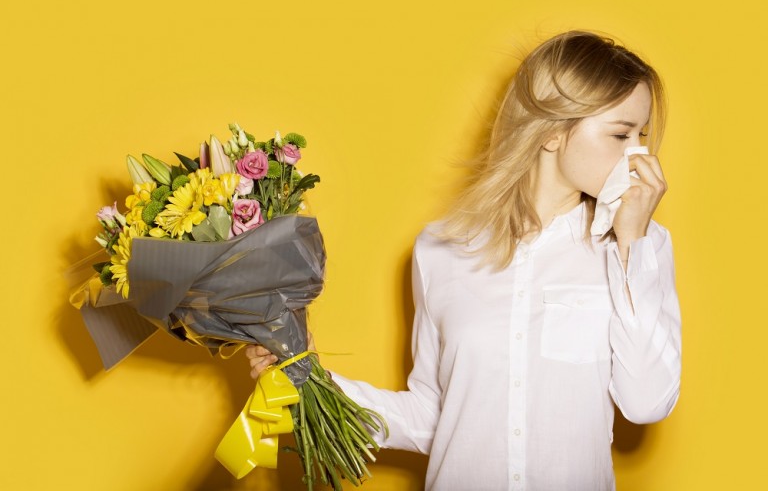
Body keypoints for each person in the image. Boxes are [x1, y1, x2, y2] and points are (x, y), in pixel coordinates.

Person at [246, 30, 681, 491]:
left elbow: (647, 402)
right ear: (552, 132)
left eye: (643, 135)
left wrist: (633, 241)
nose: (640, 155)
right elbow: (434, 414)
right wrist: (306, 380)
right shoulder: (440, 250)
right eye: (620, 134)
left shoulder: (640, 250)